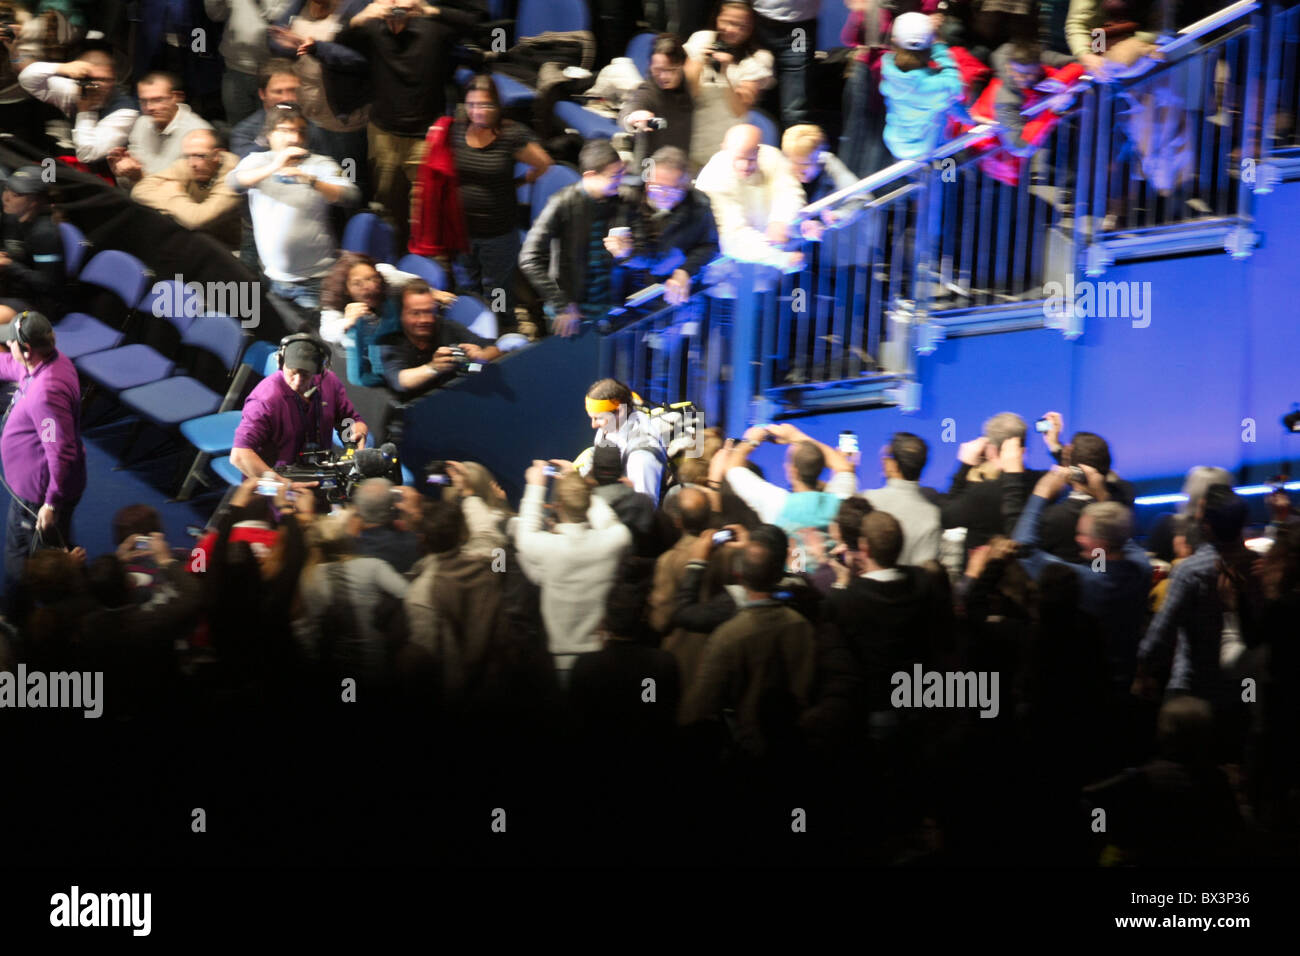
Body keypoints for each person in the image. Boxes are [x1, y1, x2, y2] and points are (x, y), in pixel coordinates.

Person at [334, 0, 472, 252]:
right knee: (388, 206)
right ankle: (396, 257)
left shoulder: (433, 28)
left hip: (426, 136)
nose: (394, 6)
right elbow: (338, 43)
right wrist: (359, 18)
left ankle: (427, 264)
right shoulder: (372, 29)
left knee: (426, 210)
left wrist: (432, 10)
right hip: (384, 135)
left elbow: (477, 27)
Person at [1011, 463, 1152, 694]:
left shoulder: (1086, 581)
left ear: (1100, 544)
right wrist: (1101, 494)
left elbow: (1023, 550)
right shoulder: (1140, 568)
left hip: (1089, 688)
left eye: (1082, 534)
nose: (1077, 539)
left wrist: (1040, 493)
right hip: (1123, 681)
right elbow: (1118, 535)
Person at [679, 531, 817, 758]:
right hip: (798, 743)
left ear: (739, 575)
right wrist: (795, 568)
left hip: (747, 748)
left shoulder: (728, 635)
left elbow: (697, 707)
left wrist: (696, 563)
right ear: (778, 573)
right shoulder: (802, 624)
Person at [228, 104, 361, 321]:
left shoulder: (321, 164)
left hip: (316, 280)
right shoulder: (256, 162)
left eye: (300, 130)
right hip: (273, 279)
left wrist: (311, 180)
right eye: (285, 130)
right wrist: (275, 165)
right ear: (269, 135)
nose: (294, 137)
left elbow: (351, 197)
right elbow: (234, 183)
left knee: (320, 343)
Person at [514, 463, 632, 683]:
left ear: (557, 506)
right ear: (589, 504)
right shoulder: (614, 541)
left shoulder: (548, 548)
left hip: (558, 664)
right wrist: (579, 483)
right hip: (600, 661)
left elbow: (524, 535)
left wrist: (535, 486)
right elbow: (610, 522)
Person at [0, 311, 85, 595]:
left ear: (27, 350)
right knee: (53, 546)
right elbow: (13, 366)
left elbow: (60, 452)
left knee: (22, 558)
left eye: (10, 343)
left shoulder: (46, 395)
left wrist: (50, 503)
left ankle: (15, 618)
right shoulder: (51, 361)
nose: (8, 347)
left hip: (37, 494)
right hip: (45, 489)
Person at [450, 75, 552, 312]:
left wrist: (516, 183)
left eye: (485, 104)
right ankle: (474, 334)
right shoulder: (456, 130)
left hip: (498, 233)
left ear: (497, 104)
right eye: (472, 104)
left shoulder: (511, 135)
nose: (478, 111)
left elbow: (544, 164)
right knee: (466, 287)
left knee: (497, 291)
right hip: (462, 231)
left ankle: (501, 332)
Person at [519, 139, 630, 339]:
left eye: (622, 173)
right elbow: (529, 257)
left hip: (609, 310)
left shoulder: (622, 201)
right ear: (590, 176)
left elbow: (641, 248)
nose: (620, 180)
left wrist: (629, 251)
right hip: (570, 315)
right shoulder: (562, 203)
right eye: (614, 176)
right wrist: (561, 304)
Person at [230, 333, 368, 479]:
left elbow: (347, 419)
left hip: (320, 472)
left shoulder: (329, 381)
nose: (297, 382)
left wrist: (353, 438)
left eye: (306, 375)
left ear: (319, 369)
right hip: (275, 480)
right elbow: (239, 455)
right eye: (293, 373)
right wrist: (283, 486)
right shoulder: (264, 400)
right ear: (281, 363)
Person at [606, 146, 718, 305]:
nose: (664, 195)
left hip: (672, 290)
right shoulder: (627, 199)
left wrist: (686, 270)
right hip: (626, 289)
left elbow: (710, 245)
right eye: (657, 187)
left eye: (672, 190)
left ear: (685, 186)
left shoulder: (699, 205)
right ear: (647, 181)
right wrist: (625, 254)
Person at [695, 123, 805, 270]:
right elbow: (731, 236)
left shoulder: (772, 156)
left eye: (751, 159)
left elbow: (790, 191)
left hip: (769, 267)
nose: (745, 165)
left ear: (759, 150)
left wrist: (781, 220)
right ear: (724, 149)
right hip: (725, 273)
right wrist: (778, 257)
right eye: (739, 158)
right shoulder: (713, 178)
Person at [682, 1, 775, 170]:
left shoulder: (759, 58)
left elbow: (739, 110)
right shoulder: (701, 39)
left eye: (742, 26)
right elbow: (686, 96)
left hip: (728, 148)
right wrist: (699, 62)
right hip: (690, 140)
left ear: (752, 27)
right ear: (717, 18)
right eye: (727, 22)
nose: (733, 30)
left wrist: (724, 73)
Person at [722, 422, 858, 533]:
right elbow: (844, 467)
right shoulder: (841, 503)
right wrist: (796, 436)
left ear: (793, 472)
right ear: (822, 466)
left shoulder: (776, 504)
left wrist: (751, 441)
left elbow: (733, 469)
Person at [375, 279, 500, 399]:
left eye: (429, 312)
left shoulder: (444, 326)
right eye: (415, 313)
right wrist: (434, 368)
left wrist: (482, 355)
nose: (424, 319)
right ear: (401, 314)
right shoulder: (385, 339)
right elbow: (399, 381)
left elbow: (495, 349)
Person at [18, 47, 138, 166]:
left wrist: (85, 111)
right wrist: (62, 68)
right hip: (72, 163)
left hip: (107, 173)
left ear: (113, 80)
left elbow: (88, 155)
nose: (97, 85)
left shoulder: (125, 111)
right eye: (90, 79)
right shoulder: (76, 89)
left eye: (103, 79)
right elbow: (26, 78)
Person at [131, 128, 242, 252]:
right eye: (188, 156)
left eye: (200, 156)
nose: (192, 164)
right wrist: (182, 208)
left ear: (217, 155)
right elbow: (140, 190)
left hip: (232, 251)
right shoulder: (187, 164)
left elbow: (197, 220)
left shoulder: (235, 175)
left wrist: (174, 194)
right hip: (199, 242)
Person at [879, 11, 965, 162]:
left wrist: (927, 35)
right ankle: (948, 181)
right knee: (947, 175)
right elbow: (955, 85)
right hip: (932, 150)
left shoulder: (888, 71)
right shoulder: (933, 86)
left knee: (917, 183)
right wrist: (938, 44)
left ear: (894, 41)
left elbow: (896, 52)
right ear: (930, 46)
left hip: (896, 145)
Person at [107, 71, 212, 188]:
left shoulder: (200, 134)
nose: (149, 107)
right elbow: (129, 184)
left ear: (177, 97)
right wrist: (122, 172)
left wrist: (138, 177)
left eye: (158, 100)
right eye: (143, 101)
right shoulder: (142, 123)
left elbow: (191, 192)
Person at [319, 252, 401, 387]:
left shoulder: (385, 276)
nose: (369, 286)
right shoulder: (334, 304)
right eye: (357, 283)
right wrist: (347, 321)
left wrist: (432, 291)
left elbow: (407, 280)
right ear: (345, 288)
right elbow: (326, 332)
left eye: (373, 278)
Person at [584, 378, 670, 502]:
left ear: (620, 411)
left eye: (599, 418)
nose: (594, 425)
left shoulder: (642, 459)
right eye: (592, 418)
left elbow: (645, 511)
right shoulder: (608, 429)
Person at [863, 431, 941, 566]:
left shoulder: (868, 501)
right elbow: (926, 570)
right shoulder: (932, 515)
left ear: (893, 465)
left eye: (886, 457)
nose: (883, 461)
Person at [0, 166, 66, 324]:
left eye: (15, 195)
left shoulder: (45, 233)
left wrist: (9, 265)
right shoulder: (12, 219)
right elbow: (9, 249)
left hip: (41, 305)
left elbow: (49, 284)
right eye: (6, 190)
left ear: (33, 201)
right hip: (15, 291)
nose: (6, 198)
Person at [205, 0, 289, 123]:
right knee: (238, 126)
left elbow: (282, 18)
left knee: (272, 124)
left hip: (272, 72)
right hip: (234, 67)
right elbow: (216, 15)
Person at [228, 59, 330, 159]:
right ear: (262, 94)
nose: (287, 98)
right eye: (278, 92)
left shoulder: (317, 127)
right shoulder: (244, 134)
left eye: (293, 90)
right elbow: (247, 169)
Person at [620, 33, 696, 165]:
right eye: (658, 70)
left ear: (682, 65)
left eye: (671, 70)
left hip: (680, 167)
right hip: (650, 170)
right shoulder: (648, 91)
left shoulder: (689, 85)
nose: (664, 76)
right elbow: (629, 111)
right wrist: (632, 118)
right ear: (650, 65)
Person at [751, 0, 819, 127]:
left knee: (795, 111)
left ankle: (795, 145)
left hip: (798, 29)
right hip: (759, 22)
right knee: (757, 101)